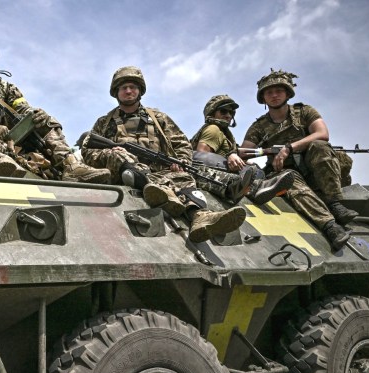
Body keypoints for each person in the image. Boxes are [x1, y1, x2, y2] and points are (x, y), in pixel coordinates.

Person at [79, 66, 246, 243]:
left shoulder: (158, 118)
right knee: (120, 156)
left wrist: (181, 161)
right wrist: (109, 152)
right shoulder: (104, 123)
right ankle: (158, 189)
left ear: (140, 90)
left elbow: (181, 143)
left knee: (182, 176)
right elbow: (88, 151)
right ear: (116, 92)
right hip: (122, 173)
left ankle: (200, 217)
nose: (128, 91)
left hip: (160, 172)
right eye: (123, 87)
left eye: (133, 87)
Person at [0, 38, 110, 183]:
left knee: (44, 118)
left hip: (10, 138)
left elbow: (23, 108)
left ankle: (70, 165)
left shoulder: (8, 88)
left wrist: (35, 114)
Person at [241, 69, 355, 249]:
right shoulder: (259, 127)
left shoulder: (304, 112)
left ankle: (335, 203)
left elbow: (322, 133)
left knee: (319, 146)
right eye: (269, 92)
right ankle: (330, 226)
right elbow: (244, 152)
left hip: (316, 170)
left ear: (287, 93)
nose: (274, 95)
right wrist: (234, 154)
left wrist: (289, 148)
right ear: (263, 98)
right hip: (289, 174)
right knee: (288, 179)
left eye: (279, 90)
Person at [190, 94, 293, 204]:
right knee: (251, 170)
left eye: (231, 113)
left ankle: (255, 187)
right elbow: (202, 155)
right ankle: (253, 187)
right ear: (212, 113)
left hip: (216, 169)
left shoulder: (226, 135)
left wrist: (266, 152)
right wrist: (230, 157)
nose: (228, 115)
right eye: (223, 111)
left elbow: (238, 152)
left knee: (255, 169)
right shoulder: (214, 129)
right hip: (201, 169)